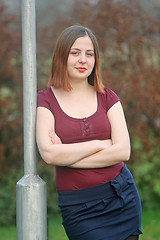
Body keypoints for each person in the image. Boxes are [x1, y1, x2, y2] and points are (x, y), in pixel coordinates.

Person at [36, 25, 142, 240]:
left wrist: (66, 156)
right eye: (75, 53)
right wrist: (100, 144)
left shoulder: (108, 97)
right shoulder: (45, 100)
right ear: (61, 56)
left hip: (121, 196)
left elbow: (123, 151)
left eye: (89, 54)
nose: (83, 59)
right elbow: (49, 154)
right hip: (79, 208)